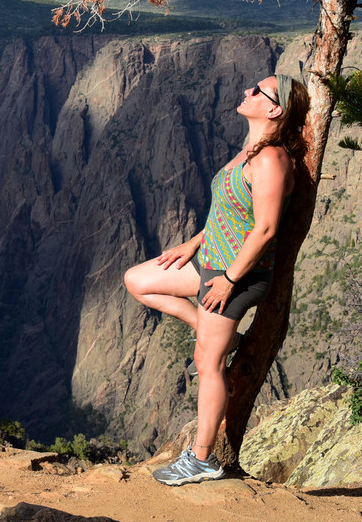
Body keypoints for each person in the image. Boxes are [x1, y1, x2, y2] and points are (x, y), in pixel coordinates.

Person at [123, 74, 308, 485]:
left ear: (274, 109)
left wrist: (227, 279)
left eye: (257, 91)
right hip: (210, 262)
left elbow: (264, 228)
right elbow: (231, 212)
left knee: (208, 364)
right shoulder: (249, 151)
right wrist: (193, 243)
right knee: (137, 280)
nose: (247, 91)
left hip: (237, 276)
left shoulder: (271, 160)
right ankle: (214, 331)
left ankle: (202, 459)